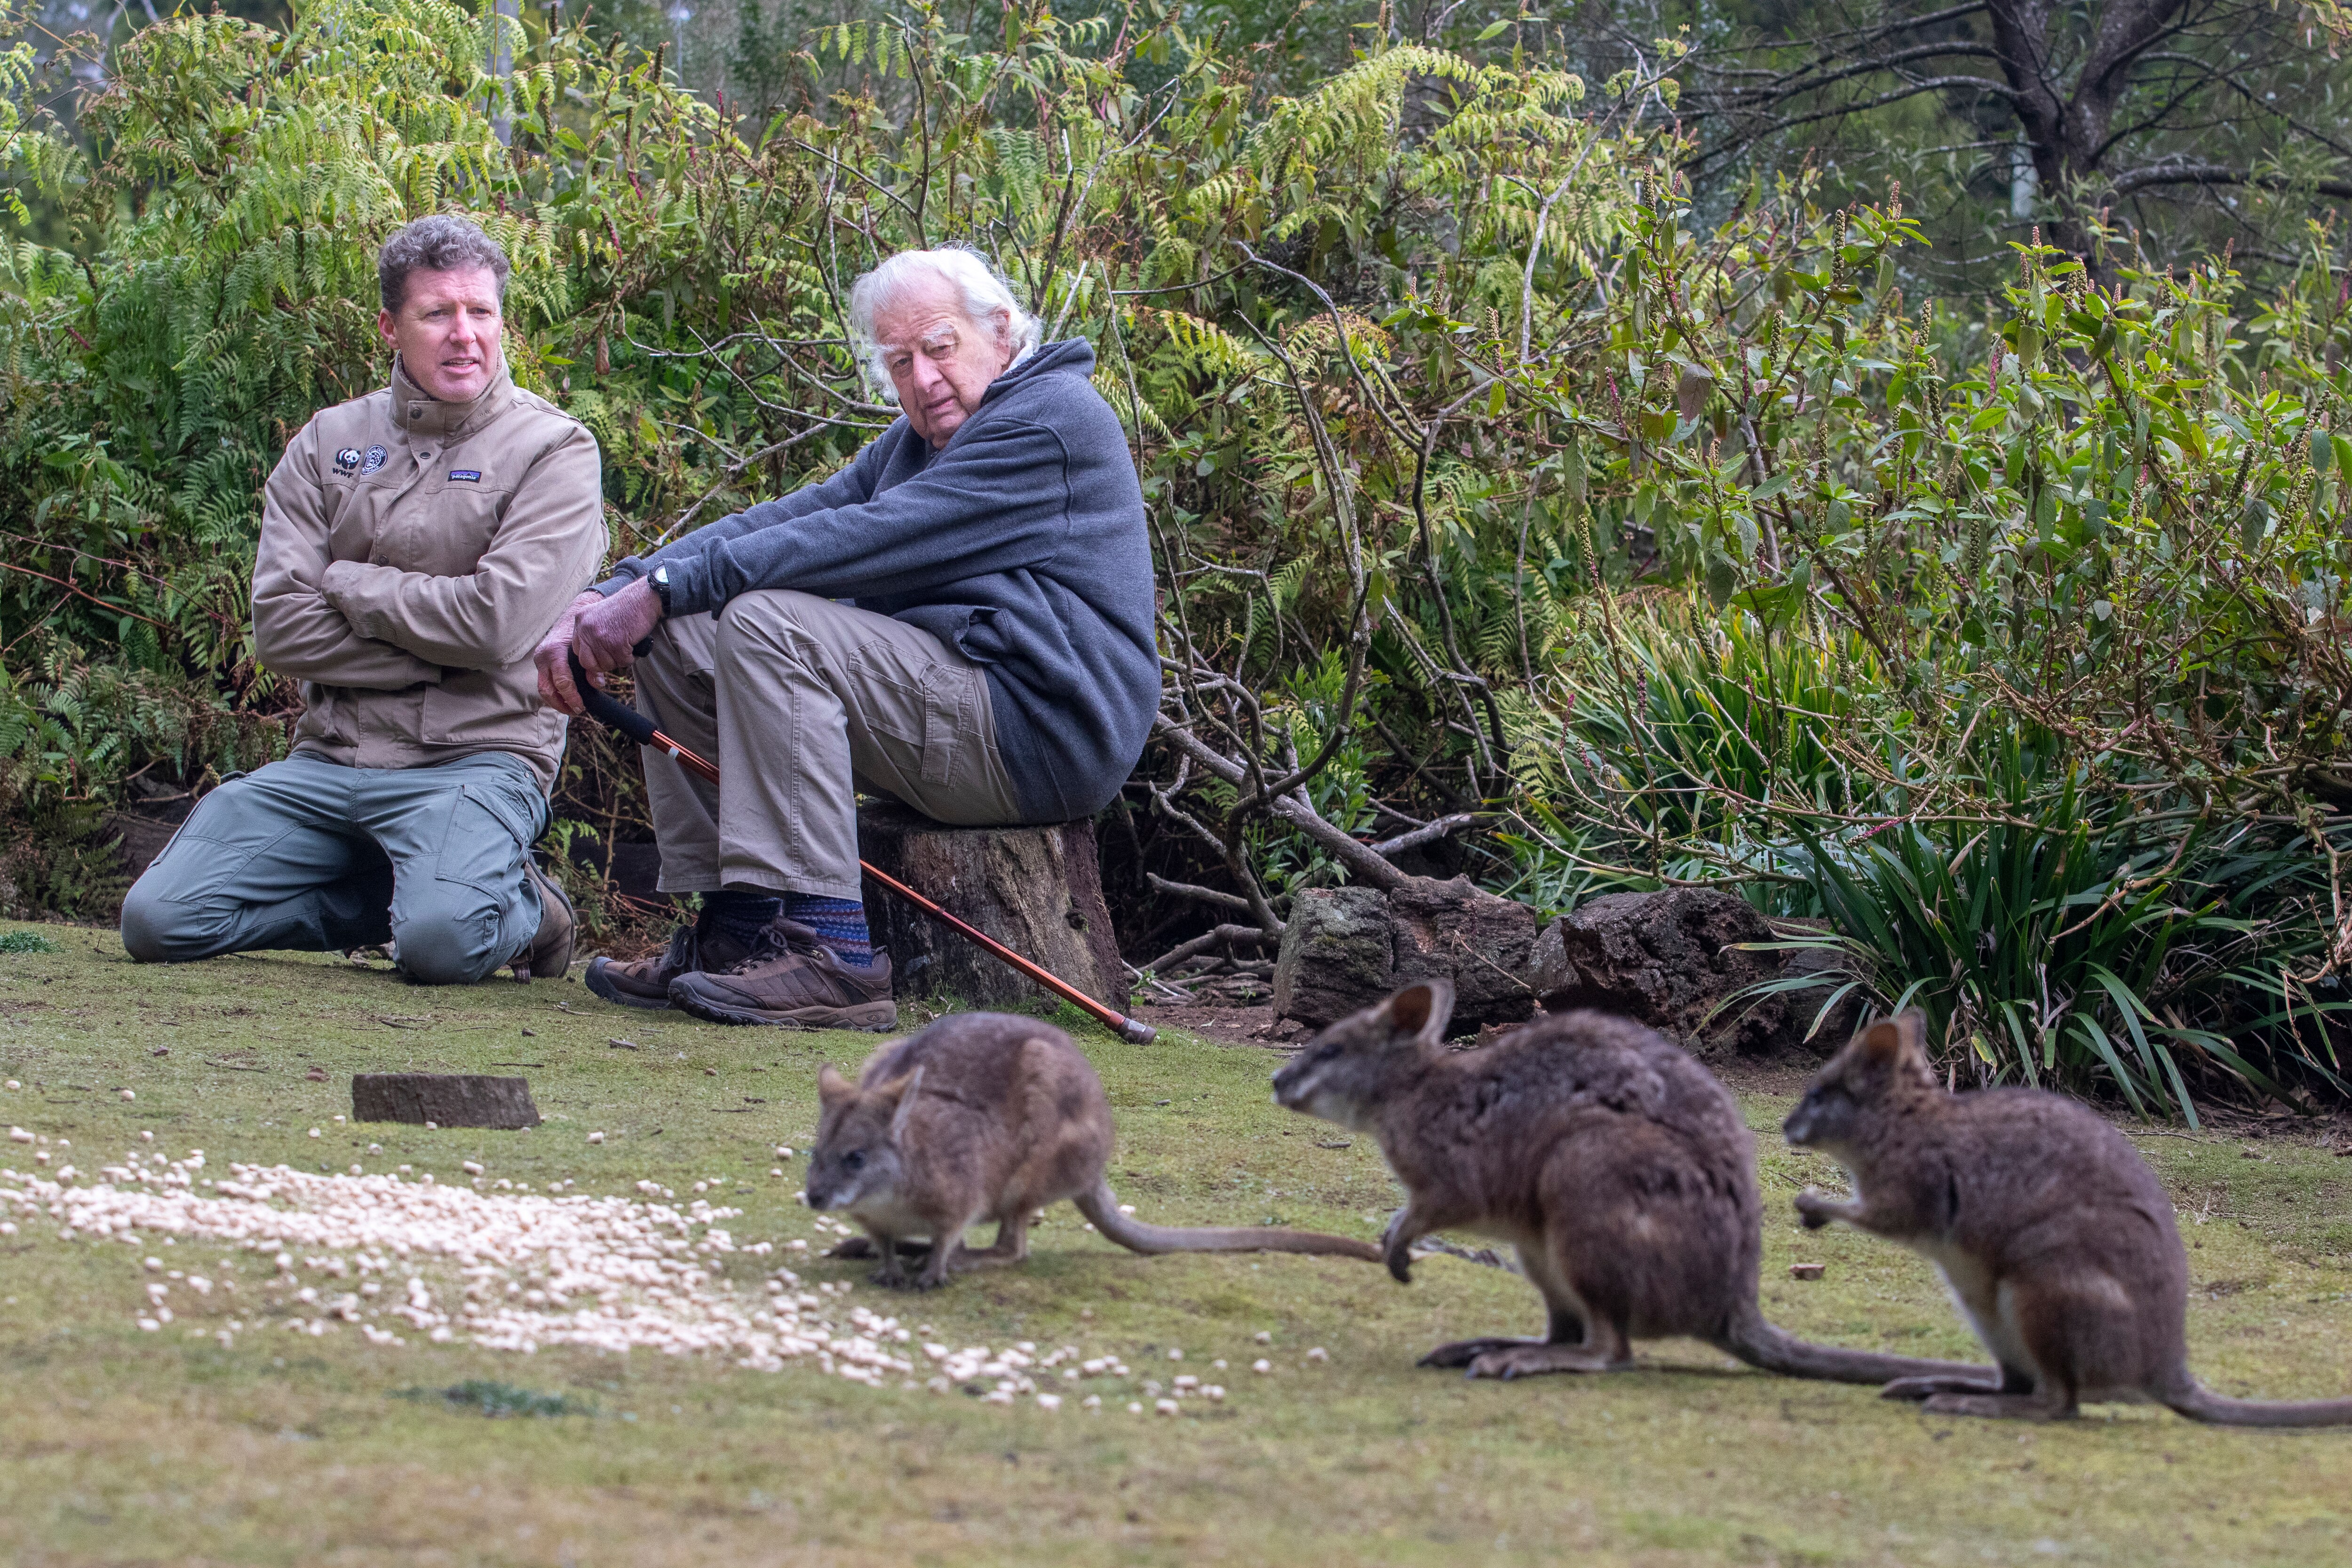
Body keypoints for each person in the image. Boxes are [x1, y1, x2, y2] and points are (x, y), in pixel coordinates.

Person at [539, 246, 1157, 1031]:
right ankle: (737, 929)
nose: (923, 380)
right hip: (959, 697)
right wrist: (626, 585)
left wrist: (660, 587)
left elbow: (863, 538)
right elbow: (792, 517)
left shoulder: (1052, 421)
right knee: (685, 631)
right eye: (900, 362)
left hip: (1040, 731)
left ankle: (832, 954)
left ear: (1001, 332)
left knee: (767, 624)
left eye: (939, 348)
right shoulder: (916, 445)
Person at [120, 214, 606, 984]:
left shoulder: (555, 450)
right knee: (158, 922)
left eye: (480, 312)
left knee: (441, 949)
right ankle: (388, 900)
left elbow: (494, 625)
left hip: (475, 761)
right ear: (390, 326)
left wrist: (351, 584)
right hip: (329, 759)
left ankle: (529, 908)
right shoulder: (326, 441)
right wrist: (446, 654)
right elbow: (281, 630)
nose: (464, 335)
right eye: (437, 313)